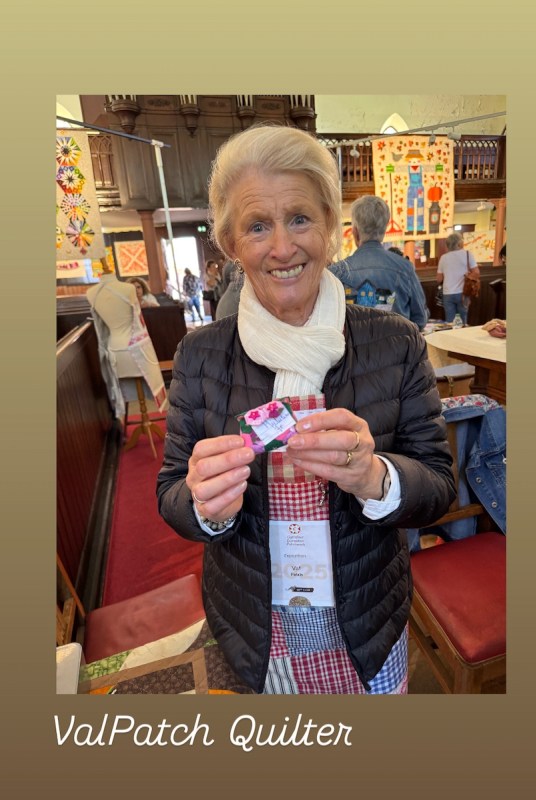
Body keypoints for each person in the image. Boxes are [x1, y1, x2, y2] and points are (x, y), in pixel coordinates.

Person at [156, 124, 455, 695]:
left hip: (367, 624)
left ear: (329, 225)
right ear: (231, 243)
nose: (282, 247)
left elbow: (438, 485)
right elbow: (171, 491)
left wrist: (376, 477)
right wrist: (204, 505)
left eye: (299, 218)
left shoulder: (395, 342)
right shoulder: (199, 355)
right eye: (257, 226)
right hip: (255, 631)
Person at [329, 196, 428, 331]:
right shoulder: (405, 268)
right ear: (384, 230)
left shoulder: (337, 271)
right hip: (397, 343)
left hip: (354, 344)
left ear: (355, 232)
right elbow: (420, 319)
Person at [87, 259, 167, 419]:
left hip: (114, 348)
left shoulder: (92, 293)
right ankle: (146, 419)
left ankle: (142, 418)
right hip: (135, 346)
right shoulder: (126, 289)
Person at [436, 232, 480, 325]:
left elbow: (439, 279)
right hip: (463, 292)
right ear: (459, 243)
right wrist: (467, 276)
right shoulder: (467, 254)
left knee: (450, 322)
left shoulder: (443, 258)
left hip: (447, 293)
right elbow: (476, 273)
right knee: (463, 321)